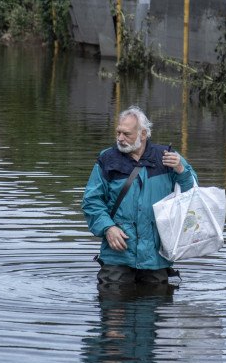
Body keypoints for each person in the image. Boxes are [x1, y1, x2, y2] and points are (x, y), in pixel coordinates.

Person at [83, 105, 197, 286]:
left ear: (143, 134)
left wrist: (181, 170)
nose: (120, 138)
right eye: (118, 132)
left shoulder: (168, 157)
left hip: (156, 255)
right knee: (112, 305)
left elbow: (191, 194)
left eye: (126, 134)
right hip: (117, 253)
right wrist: (108, 228)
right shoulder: (107, 159)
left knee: (156, 306)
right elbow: (92, 201)